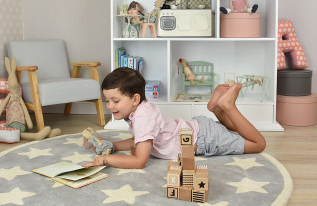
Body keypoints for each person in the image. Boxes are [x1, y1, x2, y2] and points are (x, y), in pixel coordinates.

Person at [83, 67, 266, 169]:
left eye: (115, 101)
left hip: (204, 139)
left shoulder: (143, 117)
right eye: (107, 100)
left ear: (135, 99)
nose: (109, 106)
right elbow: (140, 140)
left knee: (258, 144)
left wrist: (106, 160)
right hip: (200, 129)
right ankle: (216, 109)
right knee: (235, 132)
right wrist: (113, 146)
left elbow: (139, 161)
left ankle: (227, 106)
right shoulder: (140, 109)